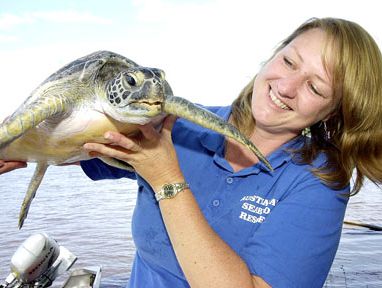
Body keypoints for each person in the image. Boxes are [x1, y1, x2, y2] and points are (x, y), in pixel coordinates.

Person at [2, 17, 382, 287]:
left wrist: (167, 179)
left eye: (315, 87)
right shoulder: (179, 126)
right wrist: (21, 153)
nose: (287, 86)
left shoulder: (316, 184)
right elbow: (85, 146)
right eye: (288, 61)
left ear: (333, 112)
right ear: (271, 55)